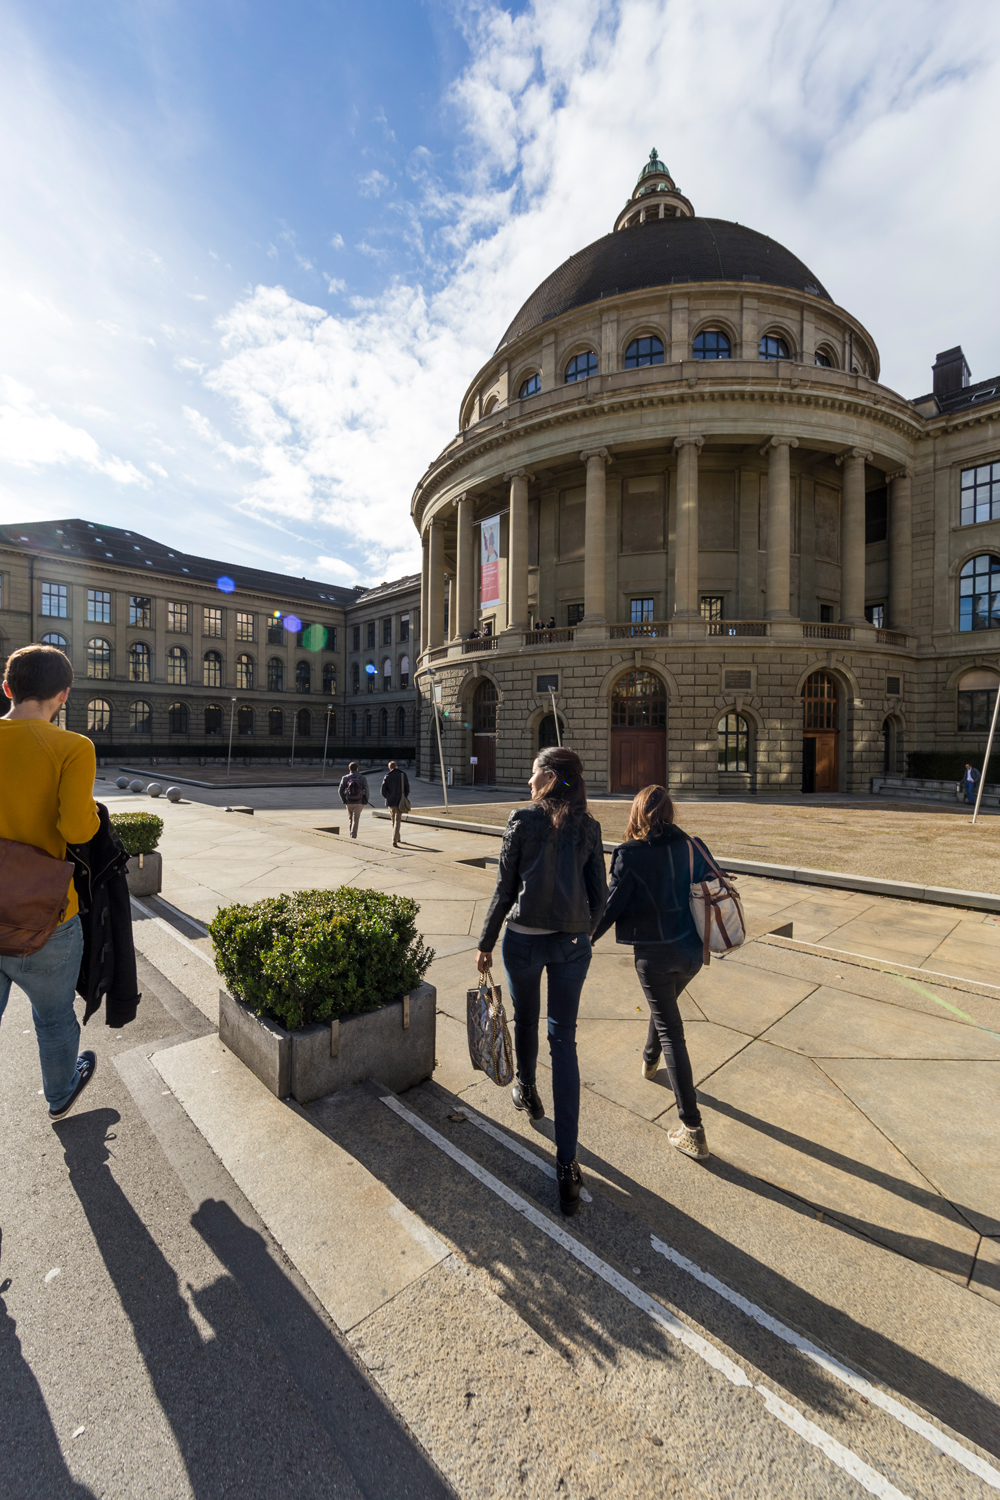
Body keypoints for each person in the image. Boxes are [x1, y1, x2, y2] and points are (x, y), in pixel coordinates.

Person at [475, 746, 607, 1216]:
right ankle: (568, 1165)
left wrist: (485, 941)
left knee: (526, 1021)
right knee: (563, 1042)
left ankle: (527, 1090)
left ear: (549, 777)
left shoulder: (522, 820)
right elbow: (602, 898)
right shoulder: (588, 827)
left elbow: (503, 889)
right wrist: (582, 934)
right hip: (571, 946)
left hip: (524, 942)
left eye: (534, 774)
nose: (528, 782)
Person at [591, 785, 718, 1161]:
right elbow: (714, 882)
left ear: (637, 814)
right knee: (665, 1011)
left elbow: (611, 907)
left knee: (671, 1030)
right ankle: (649, 1058)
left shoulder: (630, 855)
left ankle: (692, 1128)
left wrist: (585, 939)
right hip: (693, 951)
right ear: (670, 812)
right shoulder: (693, 845)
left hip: (655, 955)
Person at [0, 645, 100, 1119]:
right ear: (62, 695)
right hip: (47, 915)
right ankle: (60, 1093)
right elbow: (78, 831)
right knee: (54, 1017)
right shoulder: (73, 747)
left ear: (7, 688)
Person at [381, 759, 410, 847]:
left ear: (389, 768)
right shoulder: (403, 775)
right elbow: (407, 789)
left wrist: (388, 797)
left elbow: (382, 790)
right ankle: (396, 838)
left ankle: (396, 838)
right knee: (397, 820)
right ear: (396, 767)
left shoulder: (387, 776)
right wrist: (404, 797)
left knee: (393, 820)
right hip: (400, 801)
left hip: (391, 802)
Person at [338, 761, 369, 838]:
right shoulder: (362, 778)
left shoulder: (345, 778)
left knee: (350, 819)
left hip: (349, 801)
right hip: (359, 802)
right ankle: (353, 836)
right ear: (357, 769)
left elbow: (340, 790)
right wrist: (365, 800)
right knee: (356, 819)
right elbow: (367, 790)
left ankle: (351, 833)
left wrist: (344, 800)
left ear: (349, 769)